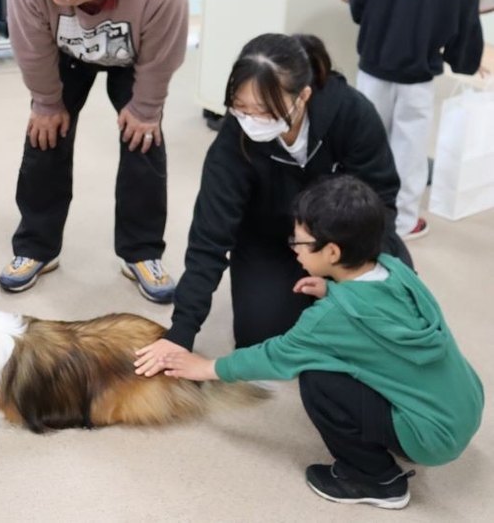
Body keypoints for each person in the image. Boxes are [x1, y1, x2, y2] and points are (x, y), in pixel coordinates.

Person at [148, 175, 484, 510]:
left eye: (299, 243)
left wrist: (207, 367)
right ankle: (398, 436)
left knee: (317, 379)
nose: (293, 249)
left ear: (332, 252)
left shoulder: (328, 320)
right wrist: (333, 288)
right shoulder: (395, 268)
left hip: (431, 439)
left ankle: (378, 480)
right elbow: (378, 308)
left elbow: (274, 356)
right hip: (465, 405)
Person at [133, 33, 412, 367]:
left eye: (264, 111)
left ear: (303, 96)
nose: (251, 120)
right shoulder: (233, 143)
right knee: (261, 336)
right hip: (270, 242)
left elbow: (380, 197)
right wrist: (182, 331)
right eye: (241, 108)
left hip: (343, 241)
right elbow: (209, 237)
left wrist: (350, 268)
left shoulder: (351, 113)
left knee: (395, 313)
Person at [0, 0, 190, 303]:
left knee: (144, 143)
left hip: (132, 58)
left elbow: (163, 54)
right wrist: (46, 103)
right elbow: (31, 48)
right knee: (44, 137)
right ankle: (36, 246)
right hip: (62, 54)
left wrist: (147, 109)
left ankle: (141, 253)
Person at [349, 0, 494, 240]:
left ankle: (352, 214)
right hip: (416, 80)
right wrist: (469, 63)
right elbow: (464, 44)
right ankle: (402, 223)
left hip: (373, 69)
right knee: (408, 152)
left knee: (364, 143)